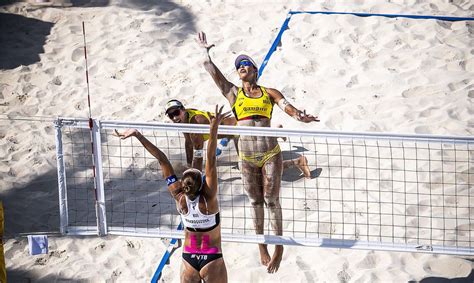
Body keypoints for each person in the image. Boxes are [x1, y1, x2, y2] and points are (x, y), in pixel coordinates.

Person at [197, 31, 319, 273]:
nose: (241, 67)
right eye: (238, 66)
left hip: (270, 154)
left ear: (254, 69)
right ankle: (261, 245)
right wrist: (205, 53)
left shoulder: (269, 93)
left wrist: (301, 117)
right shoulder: (234, 94)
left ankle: (279, 248)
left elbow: (290, 109)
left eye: (245, 64)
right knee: (255, 202)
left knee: (272, 201)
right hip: (247, 158)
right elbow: (214, 74)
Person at [115, 105, 228, 283]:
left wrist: (137, 135)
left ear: (182, 185)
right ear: (203, 184)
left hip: (189, 259)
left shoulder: (179, 197)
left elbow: (162, 159)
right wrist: (213, 130)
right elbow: (211, 159)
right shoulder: (208, 199)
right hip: (211, 258)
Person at [164, 99, 239, 171]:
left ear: (183, 109)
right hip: (231, 130)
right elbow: (188, 142)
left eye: (176, 112)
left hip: (238, 129)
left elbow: (198, 153)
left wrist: (194, 172)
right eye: (171, 115)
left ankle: (224, 141)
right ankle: (225, 141)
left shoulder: (195, 122)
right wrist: (189, 165)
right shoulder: (185, 118)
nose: (174, 117)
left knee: (246, 164)